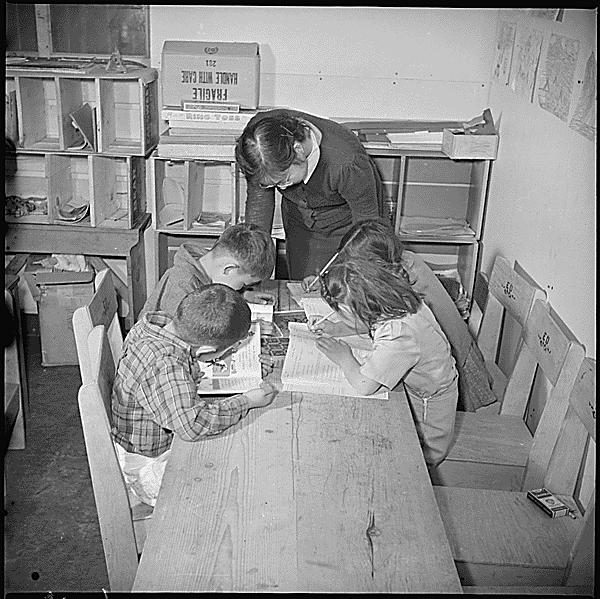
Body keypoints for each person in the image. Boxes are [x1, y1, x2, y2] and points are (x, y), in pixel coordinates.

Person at [302, 218, 496, 412]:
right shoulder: (400, 267)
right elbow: (374, 317)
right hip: (430, 374)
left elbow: (369, 377)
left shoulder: (408, 288)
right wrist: (337, 326)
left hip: (456, 373)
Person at [112, 284, 279, 506]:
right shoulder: (166, 365)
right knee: (242, 477)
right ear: (203, 350)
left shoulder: (154, 326)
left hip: (146, 443)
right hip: (146, 468)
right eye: (229, 349)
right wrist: (246, 401)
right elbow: (193, 425)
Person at [308, 257, 458, 468]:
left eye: (342, 315)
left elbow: (365, 385)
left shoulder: (399, 333)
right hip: (420, 390)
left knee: (394, 459)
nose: (340, 318)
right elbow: (370, 323)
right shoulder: (396, 301)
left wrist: (344, 358)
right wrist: (337, 328)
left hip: (428, 418)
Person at [235, 108, 383, 280]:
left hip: (347, 225)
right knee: (302, 286)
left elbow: (367, 225)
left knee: (344, 284)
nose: (282, 187)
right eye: (275, 185)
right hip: (300, 220)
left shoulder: (346, 162)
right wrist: (254, 261)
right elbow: (259, 203)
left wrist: (354, 267)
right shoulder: (258, 142)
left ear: (298, 150)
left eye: (285, 179)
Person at [141, 222, 277, 318]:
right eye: (242, 284)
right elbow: (180, 340)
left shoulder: (210, 263)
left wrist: (243, 296)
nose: (240, 288)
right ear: (228, 269)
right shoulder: (181, 286)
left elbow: (215, 290)